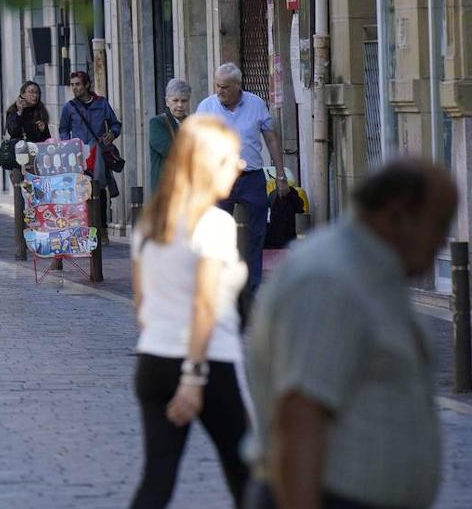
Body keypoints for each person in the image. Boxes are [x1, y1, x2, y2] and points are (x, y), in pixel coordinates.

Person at [244, 160, 456, 509]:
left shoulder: (376, 273)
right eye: (439, 224)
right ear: (398, 214)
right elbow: (300, 416)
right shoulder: (330, 278)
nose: (441, 242)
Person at [130, 114, 251, 509]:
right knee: (249, 478)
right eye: (231, 158)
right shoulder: (213, 224)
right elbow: (206, 303)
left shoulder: (150, 222)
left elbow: (143, 306)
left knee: (156, 482)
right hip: (207, 363)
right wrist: (193, 376)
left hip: (153, 360)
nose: (242, 165)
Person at [195, 63, 289, 297]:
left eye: (225, 87)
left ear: (238, 86)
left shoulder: (256, 104)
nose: (219, 91)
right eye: (217, 85)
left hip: (251, 178)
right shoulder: (206, 107)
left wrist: (280, 175)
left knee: (256, 234)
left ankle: (252, 287)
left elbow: (271, 139)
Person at [147, 79, 191, 193]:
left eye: (184, 101)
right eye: (175, 100)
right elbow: (170, 150)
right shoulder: (157, 123)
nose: (180, 105)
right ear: (167, 101)